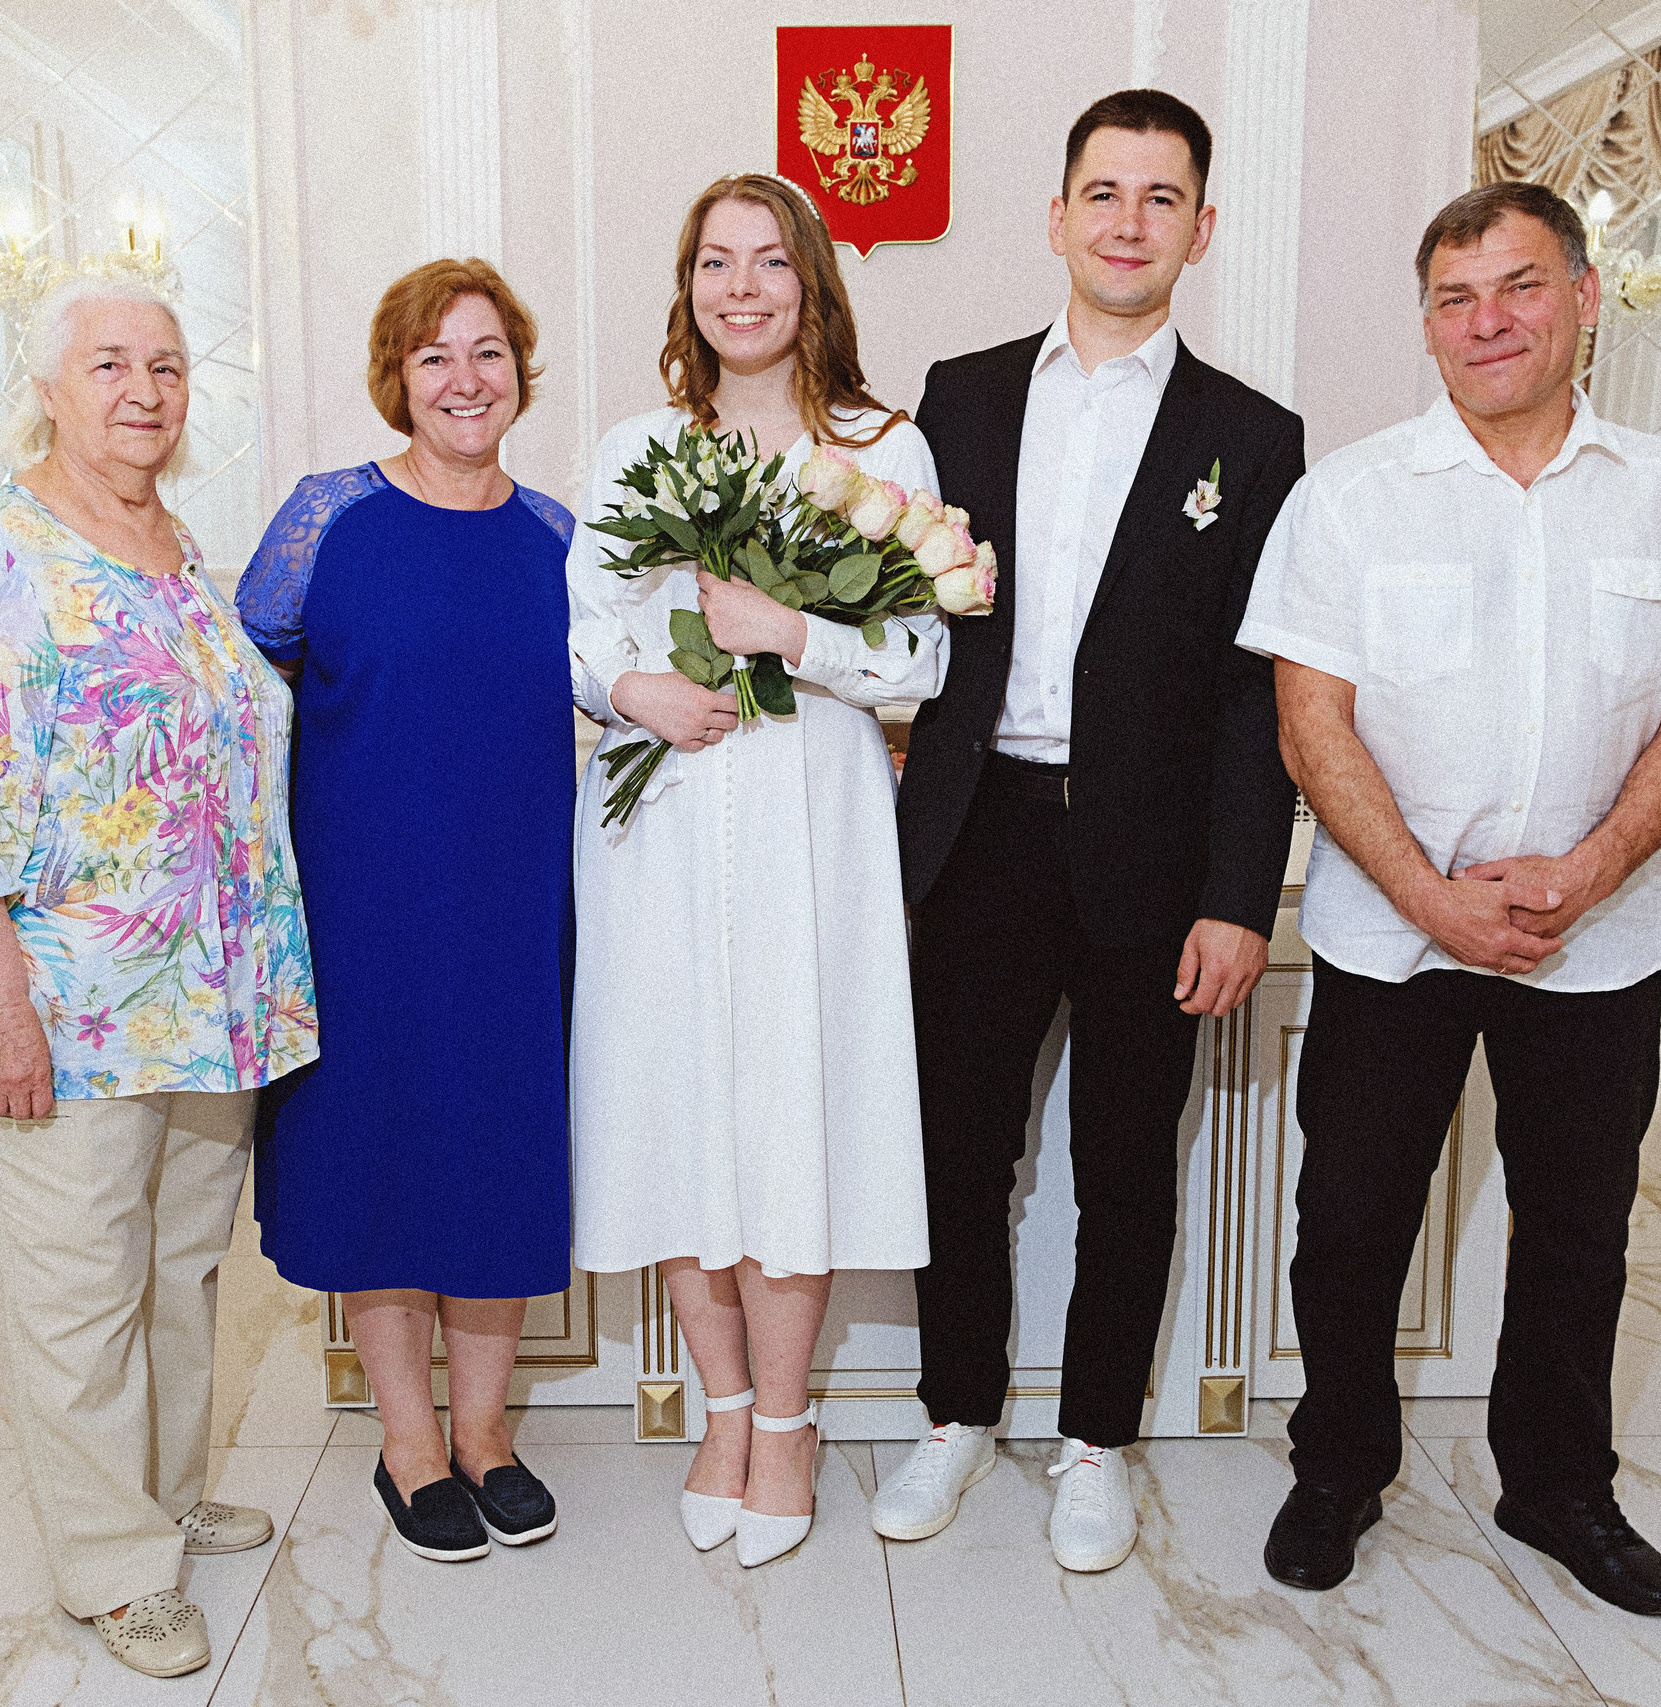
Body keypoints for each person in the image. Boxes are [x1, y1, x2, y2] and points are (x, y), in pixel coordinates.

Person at [1237, 180, 1661, 1614]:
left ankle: (1557, 1487)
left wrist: (1586, 871)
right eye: (1457, 298)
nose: (1490, 322)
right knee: (1350, 1221)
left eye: (1521, 287)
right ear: (1426, 324)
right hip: (1388, 936)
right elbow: (1311, 724)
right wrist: (1429, 896)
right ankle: (1340, 1465)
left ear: (1585, 298)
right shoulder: (1349, 495)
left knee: (1580, 1231)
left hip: (1595, 943)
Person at [874, 90, 1305, 1575]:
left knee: (1126, 1165)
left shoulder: (1252, 440)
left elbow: (1261, 697)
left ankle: (1099, 1440)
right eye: (1102, 192)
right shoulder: (964, 396)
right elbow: (897, 631)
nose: (1129, 221)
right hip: (980, 831)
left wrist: (1243, 895)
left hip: (1156, 857)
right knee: (957, 1151)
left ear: (1201, 227)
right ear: (1056, 217)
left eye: (1161, 196)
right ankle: (954, 1414)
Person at [0, 275, 317, 1678]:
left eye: (170, 367)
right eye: (112, 364)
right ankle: (116, 1571)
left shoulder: (179, 548)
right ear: (51, 389)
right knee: (74, 1291)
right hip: (62, 1005)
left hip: (203, 1001)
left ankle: (164, 1499)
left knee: (178, 1272)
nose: (146, 390)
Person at [567, 172, 945, 1570]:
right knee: (677, 1111)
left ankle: (785, 1423)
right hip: (658, 826)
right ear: (688, 285)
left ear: (812, 285)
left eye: (769, 263)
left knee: (792, 1108)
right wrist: (629, 690)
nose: (742, 287)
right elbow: (584, 629)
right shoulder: (631, 448)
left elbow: (921, 662)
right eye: (715, 262)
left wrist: (794, 631)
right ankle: (719, 1409)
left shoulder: (884, 451)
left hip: (811, 822)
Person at [236, 259, 576, 1566]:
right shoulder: (325, 519)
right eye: (436, 356)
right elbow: (236, 686)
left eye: (487, 352)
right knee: (379, 1165)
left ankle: (485, 1438)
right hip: (359, 907)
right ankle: (407, 1445)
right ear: (400, 378)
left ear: (519, 374)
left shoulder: (557, 535)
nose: (464, 379)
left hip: (512, 908)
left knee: (492, 1162)